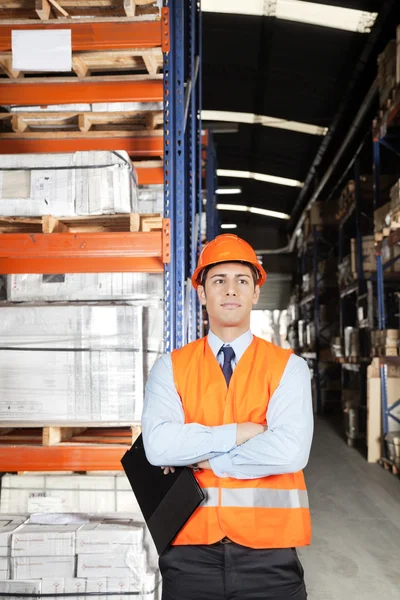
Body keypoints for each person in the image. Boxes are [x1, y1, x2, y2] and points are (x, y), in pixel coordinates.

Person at [142, 234, 313, 600]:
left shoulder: (289, 368)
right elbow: (158, 447)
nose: (230, 290)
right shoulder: (170, 368)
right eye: (218, 280)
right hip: (189, 549)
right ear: (202, 293)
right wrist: (243, 431)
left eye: (242, 281)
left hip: (271, 553)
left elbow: (291, 451)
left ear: (255, 293)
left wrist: (203, 457)